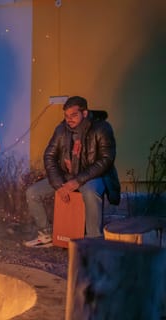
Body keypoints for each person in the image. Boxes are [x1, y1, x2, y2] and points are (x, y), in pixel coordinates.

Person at [24, 96, 120, 248]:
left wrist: (77, 181)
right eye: (67, 116)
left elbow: (106, 160)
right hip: (67, 176)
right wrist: (58, 184)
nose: (69, 120)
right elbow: (49, 156)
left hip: (94, 176)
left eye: (74, 115)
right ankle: (46, 234)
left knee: (90, 193)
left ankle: (93, 242)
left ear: (85, 113)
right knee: (32, 193)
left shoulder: (102, 128)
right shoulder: (61, 129)